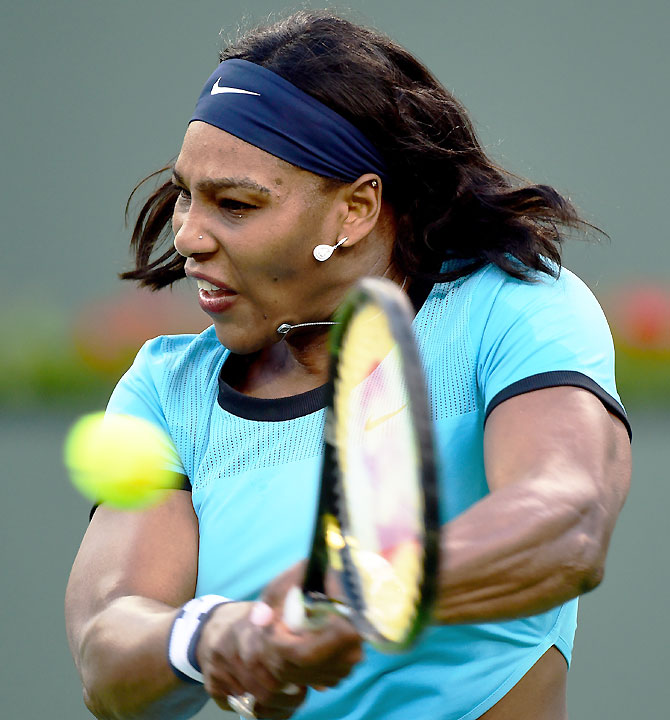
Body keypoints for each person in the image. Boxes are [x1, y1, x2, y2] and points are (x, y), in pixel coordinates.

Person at [65, 10, 632, 720]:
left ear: (356, 208)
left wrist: (347, 592)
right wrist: (209, 637)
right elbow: (106, 653)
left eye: (234, 204)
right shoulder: (166, 388)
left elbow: (567, 524)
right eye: (186, 194)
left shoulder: (509, 308)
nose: (187, 237)